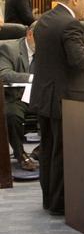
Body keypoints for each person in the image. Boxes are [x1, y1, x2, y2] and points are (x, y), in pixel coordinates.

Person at [30, 0, 84, 215]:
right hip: (66, 99)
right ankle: (60, 204)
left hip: (45, 97)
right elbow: (79, 59)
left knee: (48, 151)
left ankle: (49, 199)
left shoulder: (43, 20)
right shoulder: (70, 24)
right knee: (63, 153)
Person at [0, 22, 38, 171]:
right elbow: (4, 74)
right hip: (16, 97)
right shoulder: (9, 48)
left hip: (39, 96)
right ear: (30, 34)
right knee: (11, 115)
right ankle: (20, 153)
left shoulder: (48, 50)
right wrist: (32, 78)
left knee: (60, 112)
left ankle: (40, 152)